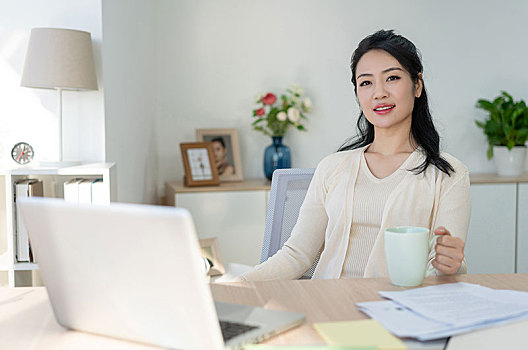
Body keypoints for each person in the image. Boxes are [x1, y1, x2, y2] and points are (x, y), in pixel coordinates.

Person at [240, 29, 470, 281]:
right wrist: (235, 285)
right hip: (328, 307)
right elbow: (297, 256)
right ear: (358, 94)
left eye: (392, 78)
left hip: (399, 312)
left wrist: (452, 265)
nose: (379, 92)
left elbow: (441, 269)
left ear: (417, 85)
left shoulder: (448, 174)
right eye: (366, 82)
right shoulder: (332, 167)